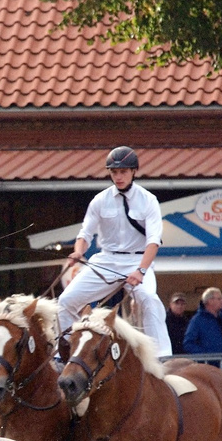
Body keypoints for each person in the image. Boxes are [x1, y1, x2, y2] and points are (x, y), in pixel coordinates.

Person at [57, 146, 172, 356]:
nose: (118, 177)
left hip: (137, 261)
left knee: (150, 300)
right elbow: (85, 233)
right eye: (114, 172)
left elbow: (153, 241)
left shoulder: (148, 200)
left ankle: (161, 356)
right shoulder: (100, 200)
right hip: (106, 260)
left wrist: (141, 271)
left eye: (123, 172)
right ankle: (65, 353)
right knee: (65, 301)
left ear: (134, 171)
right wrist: (78, 252)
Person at [183, 288, 222, 360]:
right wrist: (205, 356)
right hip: (208, 367)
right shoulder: (197, 320)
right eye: (219, 299)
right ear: (210, 301)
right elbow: (188, 343)